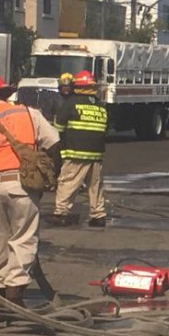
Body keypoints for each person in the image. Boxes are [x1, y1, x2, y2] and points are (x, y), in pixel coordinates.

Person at [0, 73, 60, 306]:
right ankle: (14, 295)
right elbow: (54, 141)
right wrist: (50, 174)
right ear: (4, 94)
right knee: (23, 238)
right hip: (22, 186)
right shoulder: (28, 113)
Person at [52, 70, 109, 227]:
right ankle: (98, 215)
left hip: (75, 152)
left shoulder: (71, 103)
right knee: (95, 185)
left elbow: (58, 127)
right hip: (96, 153)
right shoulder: (100, 105)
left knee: (68, 181)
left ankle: (61, 213)